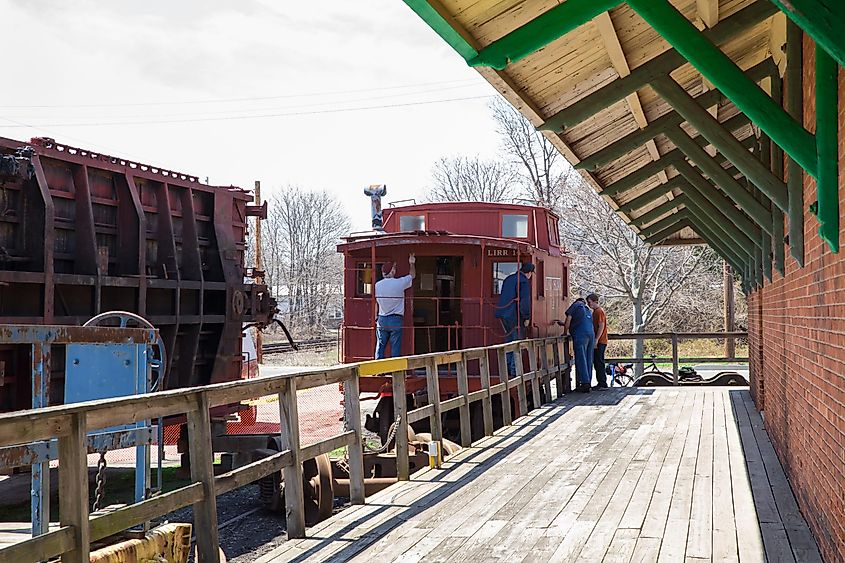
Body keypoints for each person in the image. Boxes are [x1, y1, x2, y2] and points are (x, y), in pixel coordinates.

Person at [495, 262, 534, 376]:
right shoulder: (523, 281)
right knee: (517, 343)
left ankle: (506, 369)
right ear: (529, 273)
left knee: (508, 342)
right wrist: (526, 317)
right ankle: (514, 372)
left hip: (503, 314)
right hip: (515, 315)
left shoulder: (508, 279)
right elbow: (524, 302)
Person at [374, 254, 416, 359]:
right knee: (395, 347)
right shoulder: (399, 283)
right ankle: (395, 371)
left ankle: (378, 370)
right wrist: (412, 263)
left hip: (382, 318)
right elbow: (412, 275)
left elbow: (376, 302)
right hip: (395, 319)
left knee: (380, 346)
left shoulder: (377, 285)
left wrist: (376, 317)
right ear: (392, 271)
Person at [564, 297, 594, 392]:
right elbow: (580, 321)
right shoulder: (587, 310)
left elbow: (569, 319)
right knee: (589, 358)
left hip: (580, 334)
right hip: (591, 334)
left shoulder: (575, 305)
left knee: (581, 358)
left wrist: (565, 331)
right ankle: (588, 380)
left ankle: (585, 383)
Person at [587, 293, 608, 389]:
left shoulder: (598, 311)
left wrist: (596, 339)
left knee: (599, 362)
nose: (588, 304)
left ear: (595, 301)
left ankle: (602, 383)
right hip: (600, 340)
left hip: (600, 341)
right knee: (597, 362)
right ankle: (601, 382)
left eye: (590, 302)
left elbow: (601, 325)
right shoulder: (596, 312)